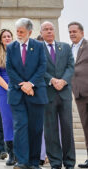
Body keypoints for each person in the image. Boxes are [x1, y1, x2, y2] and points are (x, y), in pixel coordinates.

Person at [6, 18, 48, 169]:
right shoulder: (10, 47)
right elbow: (9, 68)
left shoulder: (39, 46)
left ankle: (34, 162)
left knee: (36, 128)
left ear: (30, 32)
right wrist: (22, 85)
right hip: (17, 93)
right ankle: (22, 161)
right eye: (17, 31)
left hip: (36, 93)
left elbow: (42, 66)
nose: (18, 34)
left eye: (21, 31)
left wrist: (30, 83)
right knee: (20, 126)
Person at [41, 21, 75, 169]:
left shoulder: (66, 47)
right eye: (46, 30)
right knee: (50, 130)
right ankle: (55, 162)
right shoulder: (37, 49)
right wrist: (52, 80)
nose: (49, 31)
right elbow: (38, 68)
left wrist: (63, 80)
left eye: (51, 29)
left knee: (67, 127)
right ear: (41, 33)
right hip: (48, 94)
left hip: (65, 93)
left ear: (54, 31)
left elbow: (70, 66)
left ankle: (69, 161)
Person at [0, 29, 16, 166]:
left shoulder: (18, 53)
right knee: (7, 121)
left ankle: (21, 152)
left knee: (19, 121)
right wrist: (9, 88)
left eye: (9, 36)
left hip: (19, 89)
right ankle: (11, 153)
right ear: (1, 40)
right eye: (4, 37)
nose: (7, 38)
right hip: (3, 90)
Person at [69, 21, 88, 168]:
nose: (72, 34)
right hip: (79, 94)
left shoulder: (87, 46)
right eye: (70, 32)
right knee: (86, 126)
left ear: (82, 32)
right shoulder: (68, 49)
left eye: (74, 31)